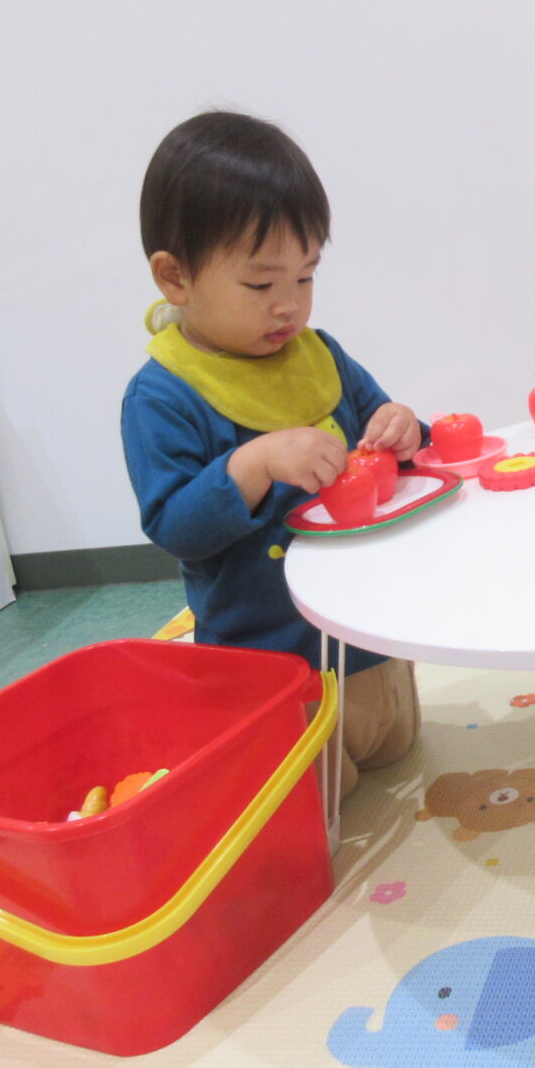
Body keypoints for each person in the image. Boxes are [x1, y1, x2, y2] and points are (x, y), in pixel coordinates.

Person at [121, 111, 424, 800]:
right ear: (175, 277)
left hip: (365, 639)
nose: (289, 306)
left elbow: (388, 441)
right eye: (261, 286)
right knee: (309, 806)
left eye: (306, 277)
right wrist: (252, 465)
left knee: (398, 752)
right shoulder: (162, 396)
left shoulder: (318, 356)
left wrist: (402, 427)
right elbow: (173, 526)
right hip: (270, 661)